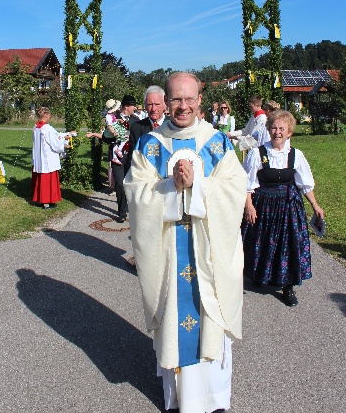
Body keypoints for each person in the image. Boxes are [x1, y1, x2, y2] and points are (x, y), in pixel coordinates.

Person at [124, 72, 247, 413]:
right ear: (165, 102)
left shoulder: (218, 142)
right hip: (169, 254)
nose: (183, 106)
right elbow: (135, 193)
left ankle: (216, 401)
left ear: (199, 102)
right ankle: (178, 400)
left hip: (208, 255)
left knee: (211, 321)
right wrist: (172, 187)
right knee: (174, 322)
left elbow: (235, 189)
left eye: (189, 99)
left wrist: (199, 187)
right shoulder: (149, 145)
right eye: (176, 99)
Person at [242, 110, 325, 307]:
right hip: (264, 205)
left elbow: (305, 184)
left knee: (288, 244)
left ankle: (288, 287)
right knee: (261, 241)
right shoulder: (257, 153)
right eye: (273, 128)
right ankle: (259, 275)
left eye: (281, 128)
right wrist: (249, 206)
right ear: (268, 130)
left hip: (288, 207)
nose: (277, 132)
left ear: (289, 132)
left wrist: (315, 205)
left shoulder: (296, 155)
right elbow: (246, 183)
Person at [32, 107, 74, 210]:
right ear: (46, 115)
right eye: (49, 115)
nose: (50, 116)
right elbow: (55, 143)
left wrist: (65, 135)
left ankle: (39, 199)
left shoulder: (36, 127)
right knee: (47, 181)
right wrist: (64, 143)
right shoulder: (47, 128)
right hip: (47, 159)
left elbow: (55, 135)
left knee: (40, 180)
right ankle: (46, 202)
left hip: (39, 158)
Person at [110, 94, 138, 222]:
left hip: (131, 156)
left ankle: (132, 208)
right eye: (133, 106)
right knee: (120, 184)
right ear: (126, 106)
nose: (135, 108)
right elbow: (106, 137)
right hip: (117, 156)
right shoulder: (113, 118)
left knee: (130, 184)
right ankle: (122, 212)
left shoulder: (136, 120)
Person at [126, 86, 166, 171]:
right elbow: (131, 158)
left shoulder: (173, 126)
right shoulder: (136, 127)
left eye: (157, 104)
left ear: (164, 105)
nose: (153, 109)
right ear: (145, 106)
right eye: (150, 104)